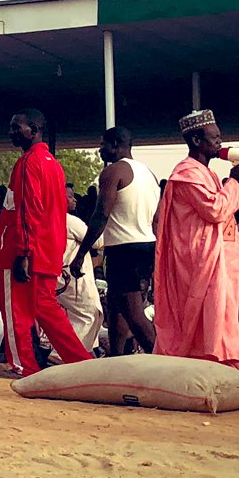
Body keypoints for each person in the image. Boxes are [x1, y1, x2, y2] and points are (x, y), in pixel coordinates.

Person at [151, 109, 239, 375]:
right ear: (197, 141)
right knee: (211, 314)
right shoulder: (186, 174)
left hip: (218, 258)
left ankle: (223, 367)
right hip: (198, 260)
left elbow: (226, 224)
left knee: (223, 314)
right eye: (215, 137)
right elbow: (215, 210)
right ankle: (211, 368)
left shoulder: (205, 174)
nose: (220, 143)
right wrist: (233, 182)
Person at [0, 110, 93, 376]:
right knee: (46, 309)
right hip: (48, 251)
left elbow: (28, 210)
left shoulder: (28, 163)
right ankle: (81, 361)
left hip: (23, 250)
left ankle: (21, 365)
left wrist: (22, 252)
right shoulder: (53, 164)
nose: (11, 132)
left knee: (17, 312)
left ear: (34, 128)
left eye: (17, 127)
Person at [69, 125, 159, 354]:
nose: (100, 150)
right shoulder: (149, 174)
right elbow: (157, 217)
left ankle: (165, 361)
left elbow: (101, 215)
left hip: (124, 248)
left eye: (102, 145)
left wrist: (82, 254)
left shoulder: (113, 172)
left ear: (116, 145)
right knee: (117, 307)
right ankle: (115, 359)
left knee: (134, 315)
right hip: (146, 244)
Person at [56, 190, 104, 354]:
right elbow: (97, 241)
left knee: (73, 316)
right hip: (73, 275)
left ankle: (84, 353)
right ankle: (66, 354)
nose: (75, 199)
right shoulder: (69, 221)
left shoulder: (48, 218)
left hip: (58, 275)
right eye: (69, 196)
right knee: (89, 313)